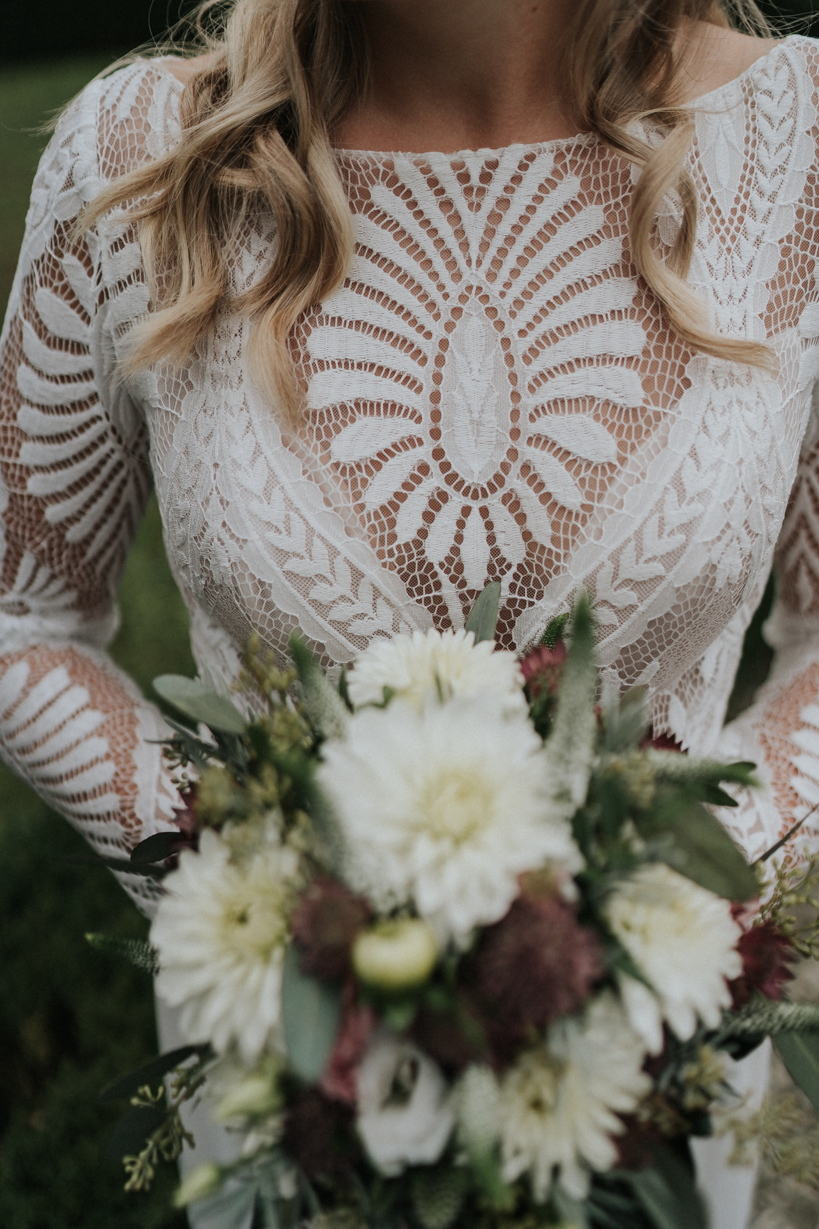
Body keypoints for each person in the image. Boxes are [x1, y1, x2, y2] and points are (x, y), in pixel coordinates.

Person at [1, 0, 818, 1224]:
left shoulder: (798, 139)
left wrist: (673, 910)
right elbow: (22, 617)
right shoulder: (141, 157)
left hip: (649, 1095)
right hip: (296, 1096)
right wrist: (256, 889)